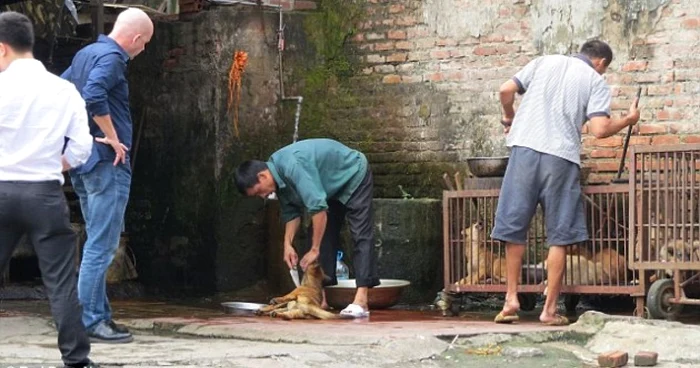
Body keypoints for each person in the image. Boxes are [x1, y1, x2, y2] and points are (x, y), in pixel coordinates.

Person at [491, 40, 640, 326]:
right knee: (559, 235)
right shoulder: (594, 80)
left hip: (523, 150)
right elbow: (599, 130)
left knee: (514, 228)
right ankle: (548, 311)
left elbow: (505, 90)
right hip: (560, 158)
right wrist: (628, 119)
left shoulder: (543, 61)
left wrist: (510, 115)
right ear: (601, 63)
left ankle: (510, 299)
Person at [0, 11, 97, 368]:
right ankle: (77, 360)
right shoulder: (63, 89)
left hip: (2, 190)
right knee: (60, 282)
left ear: (1, 49)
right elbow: (83, 148)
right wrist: (53, 164)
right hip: (45, 194)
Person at [61, 8, 153, 343]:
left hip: (85, 162)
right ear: (137, 38)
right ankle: (89, 320)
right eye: (146, 44)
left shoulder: (86, 53)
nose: (143, 51)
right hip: (106, 164)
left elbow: (62, 92)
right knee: (102, 245)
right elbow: (94, 94)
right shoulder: (113, 58)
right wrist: (112, 136)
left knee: (95, 244)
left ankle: (99, 316)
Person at [235, 138, 380, 318]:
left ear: (262, 176)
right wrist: (287, 244)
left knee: (360, 234)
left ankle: (361, 300)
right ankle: (321, 299)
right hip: (329, 186)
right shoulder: (276, 174)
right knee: (318, 233)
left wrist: (314, 249)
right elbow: (292, 213)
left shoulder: (292, 167)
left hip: (352, 173)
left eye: (259, 192)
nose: (263, 196)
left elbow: (318, 209)